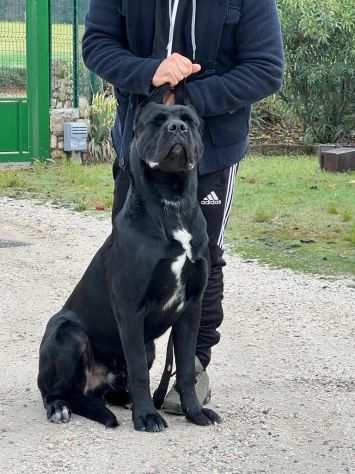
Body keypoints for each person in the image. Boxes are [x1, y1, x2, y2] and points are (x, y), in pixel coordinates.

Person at [82, 0, 284, 414]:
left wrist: (188, 99)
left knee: (202, 257)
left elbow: (265, 69)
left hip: (211, 150)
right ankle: (129, 366)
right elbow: (98, 44)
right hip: (140, 148)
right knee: (129, 258)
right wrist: (149, 73)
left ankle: (191, 369)